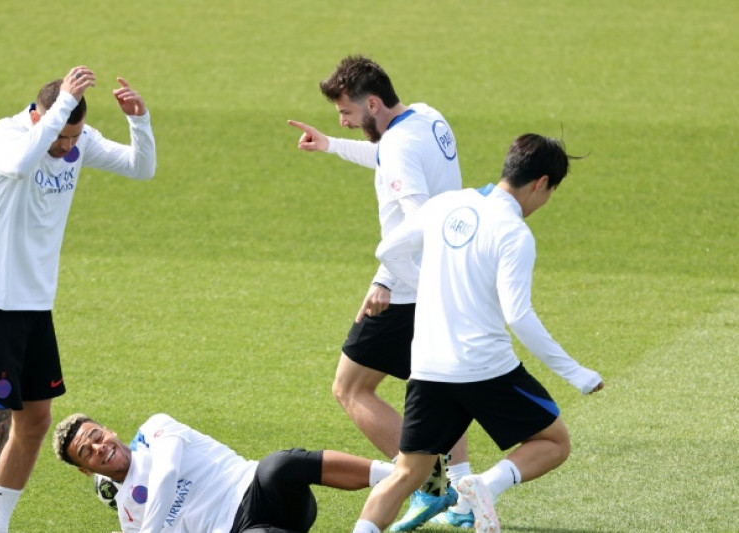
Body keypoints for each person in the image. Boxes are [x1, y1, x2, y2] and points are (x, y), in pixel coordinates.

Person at [351, 134, 606, 533]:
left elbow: (389, 251)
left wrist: (429, 287)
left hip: (429, 369)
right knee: (553, 442)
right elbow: (518, 315)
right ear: (540, 183)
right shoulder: (514, 233)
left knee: (407, 473)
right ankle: (483, 486)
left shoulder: (446, 204)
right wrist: (578, 374)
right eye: (551, 192)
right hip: (486, 369)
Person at [0, 65, 156, 533]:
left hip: (33, 304)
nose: (68, 146)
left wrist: (139, 121)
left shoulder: (76, 138)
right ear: (41, 116)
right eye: (61, 135)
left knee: (37, 422)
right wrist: (62, 106)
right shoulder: (6, 137)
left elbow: (141, 169)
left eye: (74, 136)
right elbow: (24, 163)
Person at [288, 55, 466, 529]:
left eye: (346, 113)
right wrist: (332, 146)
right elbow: (392, 157)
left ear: (371, 103)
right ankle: (464, 499)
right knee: (439, 388)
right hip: (445, 280)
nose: (343, 120)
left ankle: (427, 483)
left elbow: (420, 217)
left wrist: (385, 277)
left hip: (408, 287)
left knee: (350, 387)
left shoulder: (399, 147)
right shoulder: (427, 118)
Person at [52, 412, 398, 533]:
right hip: (240, 529)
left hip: (259, 490)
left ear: (108, 430)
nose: (99, 447)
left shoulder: (155, 429)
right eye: (87, 452)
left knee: (280, 464)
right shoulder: (129, 514)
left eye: (97, 436)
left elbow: (167, 472)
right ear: (86, 470)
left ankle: (400, 474)